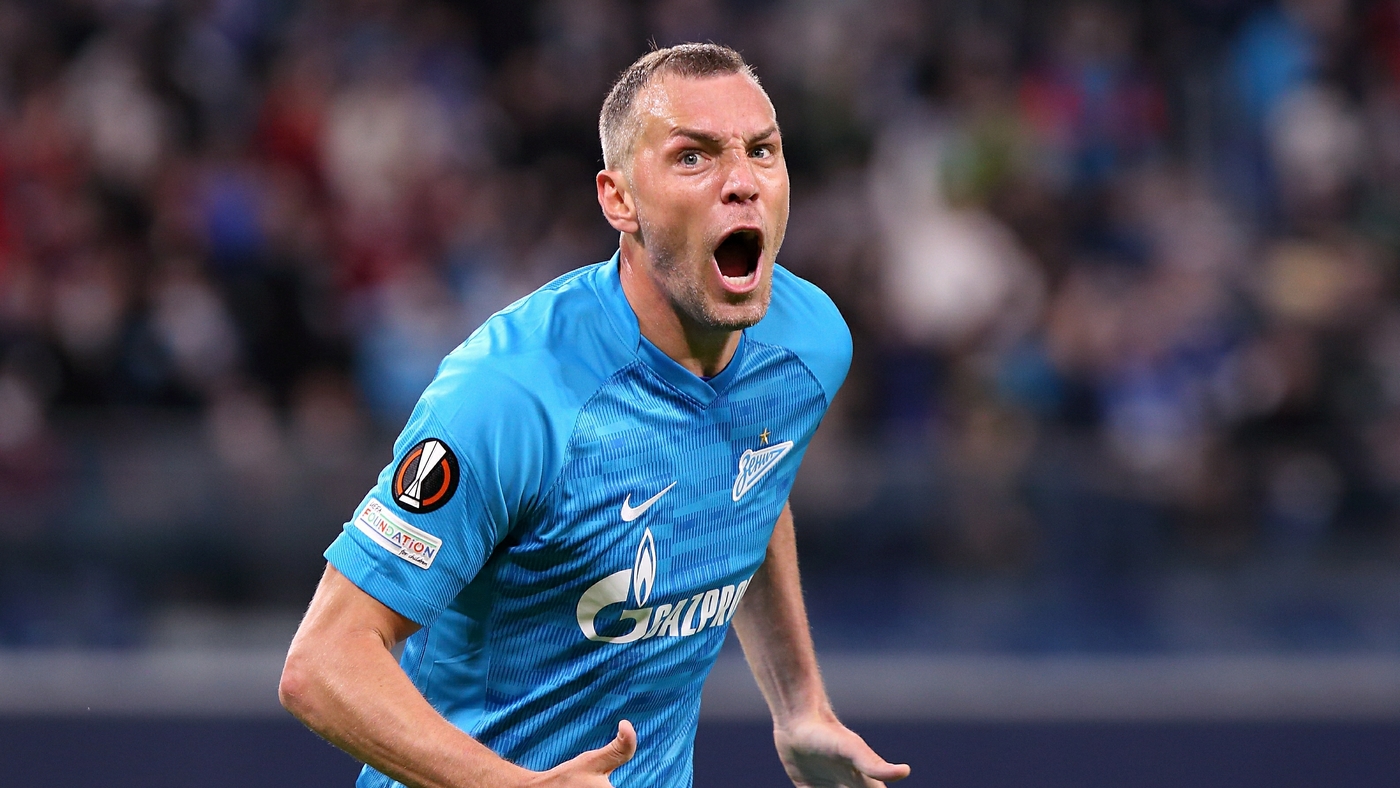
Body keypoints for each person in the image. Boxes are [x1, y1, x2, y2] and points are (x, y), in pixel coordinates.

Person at [279, 43, 910, 788]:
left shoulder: (808, 345)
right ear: (619, 200)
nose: (742, 182)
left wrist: (800, 704)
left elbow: (748, 483)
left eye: (762, 151)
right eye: (693, 157)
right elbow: (323, 663)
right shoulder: (510, 397)